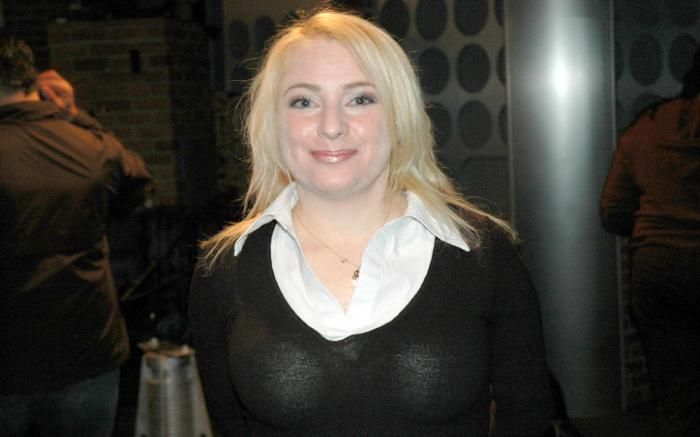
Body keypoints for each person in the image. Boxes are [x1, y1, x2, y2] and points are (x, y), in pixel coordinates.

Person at [189, 8, 554, 436]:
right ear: (272, 123)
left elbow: (528, 422)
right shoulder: (222, 270)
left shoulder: (482, 253)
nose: (331, 126)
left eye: (360, 99)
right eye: (304, 102)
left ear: (399, 115)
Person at [0, 34, 152, 436]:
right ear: (32, 80)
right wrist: (75, 116)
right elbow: (137, 182)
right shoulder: (88, 145)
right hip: (87, 353)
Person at [600, 48, 700, 436]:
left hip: (657, 269)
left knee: (675, 388)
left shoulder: (646, 127)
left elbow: (613, 210)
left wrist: (655, 230)